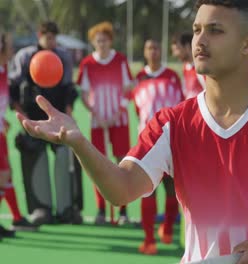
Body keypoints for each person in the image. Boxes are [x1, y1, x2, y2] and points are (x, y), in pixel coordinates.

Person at [17, 1, 248, 263]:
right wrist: (78, 141)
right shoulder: (171, 122)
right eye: (197, 29)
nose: (199, 39)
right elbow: (122, 189)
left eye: (215, 30)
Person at [9, 21, 82, 226]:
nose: (51, 41)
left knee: (63, 158)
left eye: (54, 37)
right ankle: (41, 208)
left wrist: (68, 111)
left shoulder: (63, 57)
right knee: (35, 158)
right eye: (48, 37)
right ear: (40, 35)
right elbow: (14, 87)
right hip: (33, 116)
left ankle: (67, 208)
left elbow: (69, 88)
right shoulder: (25, 56)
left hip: (57, 116)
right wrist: (21, 114)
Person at [76, 21, 133, 225]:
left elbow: (129, 89)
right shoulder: (87, 64)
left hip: (119, 121)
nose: (101, 44)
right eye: (97, 41)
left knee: (122, 163)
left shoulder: (120, 60)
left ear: (110, 41)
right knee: (98, 164)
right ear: (93, 42)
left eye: (104, 40)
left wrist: (118, 112)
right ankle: (101, 209)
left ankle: (124, 212)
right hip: (97, 123)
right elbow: (83, 94)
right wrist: (94, 113)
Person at [133, 39, 183, 254]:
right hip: (147, 143)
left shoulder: (172, 75)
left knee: (172, 190)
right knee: (147, 191)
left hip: (171, 141)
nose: (153, 51)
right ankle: (149, 240)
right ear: (144, 52)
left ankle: (168, 230)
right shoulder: (139, 77)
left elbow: (179, 104)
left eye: (156, 48)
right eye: (149, 48)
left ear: (160, 51)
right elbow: (138, 108)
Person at [1, 31, 35, 238]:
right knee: (3, 175)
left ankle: (16, 217)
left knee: (7, 175)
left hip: (0, 132)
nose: (12, 49)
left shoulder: (4, 69)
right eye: (9, 46)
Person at [171, 32, 205, 99]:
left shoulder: (201, 68)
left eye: (177, 49)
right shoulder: (185, 67)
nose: (175, 54)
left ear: (187, 46)